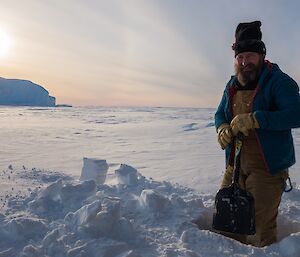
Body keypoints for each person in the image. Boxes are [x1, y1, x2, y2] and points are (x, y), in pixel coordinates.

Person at [215, 20, 300, 247]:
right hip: (235, 165)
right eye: (240, 57)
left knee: (258, 227)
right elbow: (220, 115)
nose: (245, 62)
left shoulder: (279, 82)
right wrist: (222, 128)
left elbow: (296, 113)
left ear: (262, 55)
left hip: (267, 168)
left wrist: (256, 119)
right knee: (226, 223)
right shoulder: (232, 85)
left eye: (250, 56)